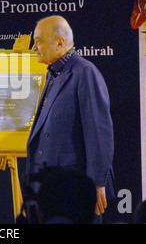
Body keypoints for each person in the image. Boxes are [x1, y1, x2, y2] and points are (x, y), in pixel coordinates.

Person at [25, 15, 114, 222]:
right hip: (51, 189)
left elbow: (99, 133)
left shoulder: (85, 72)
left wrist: (97, 184)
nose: (33, 48)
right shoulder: (53, 74)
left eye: (38, 41)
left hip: (75, 191)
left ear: (60, 42)